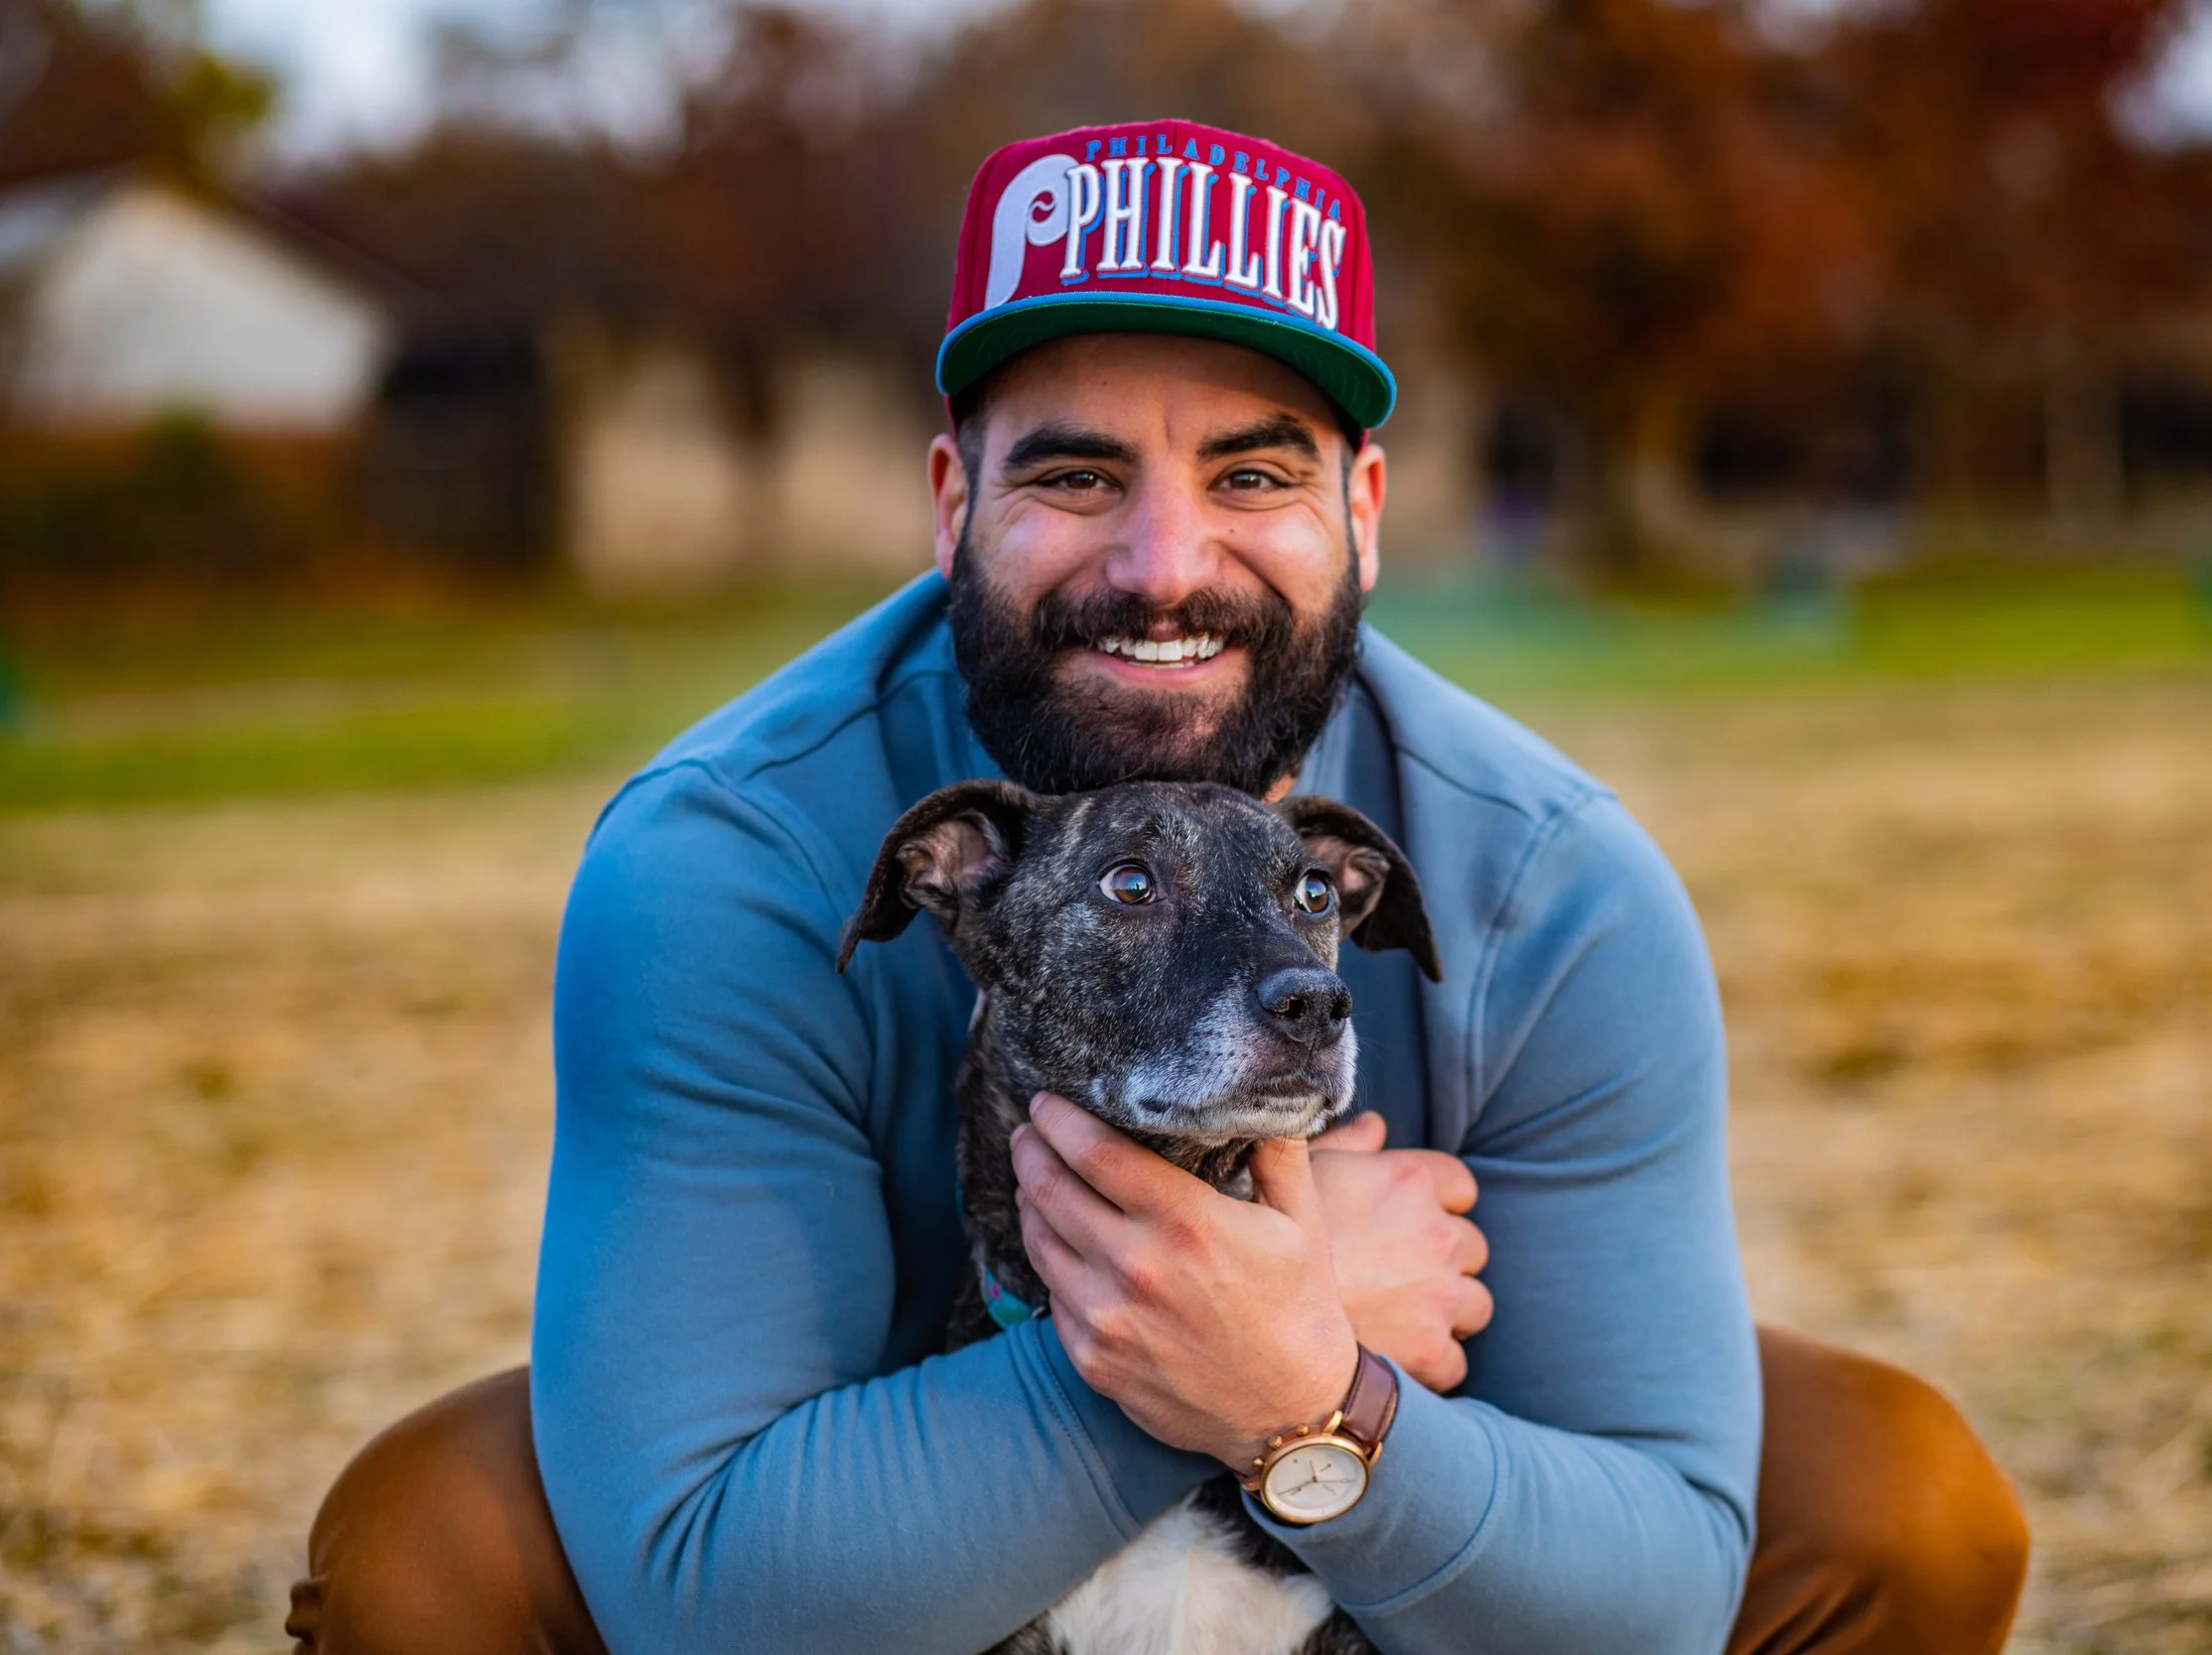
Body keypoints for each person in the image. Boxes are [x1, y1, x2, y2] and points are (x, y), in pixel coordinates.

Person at [287, 119, 2028, 1655]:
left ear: (1365, 511)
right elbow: (701, 1596)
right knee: (433, 1549)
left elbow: (1659, 1605)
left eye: (1254, 473)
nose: (1164, 564)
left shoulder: (1555, 891)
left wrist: (1305, 1389)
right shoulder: (728, 862)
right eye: (1075, 472)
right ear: (954, 498)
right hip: (868, 1513)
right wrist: (1238, 1320)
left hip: (1359, 1522)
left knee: (1896, 1503)